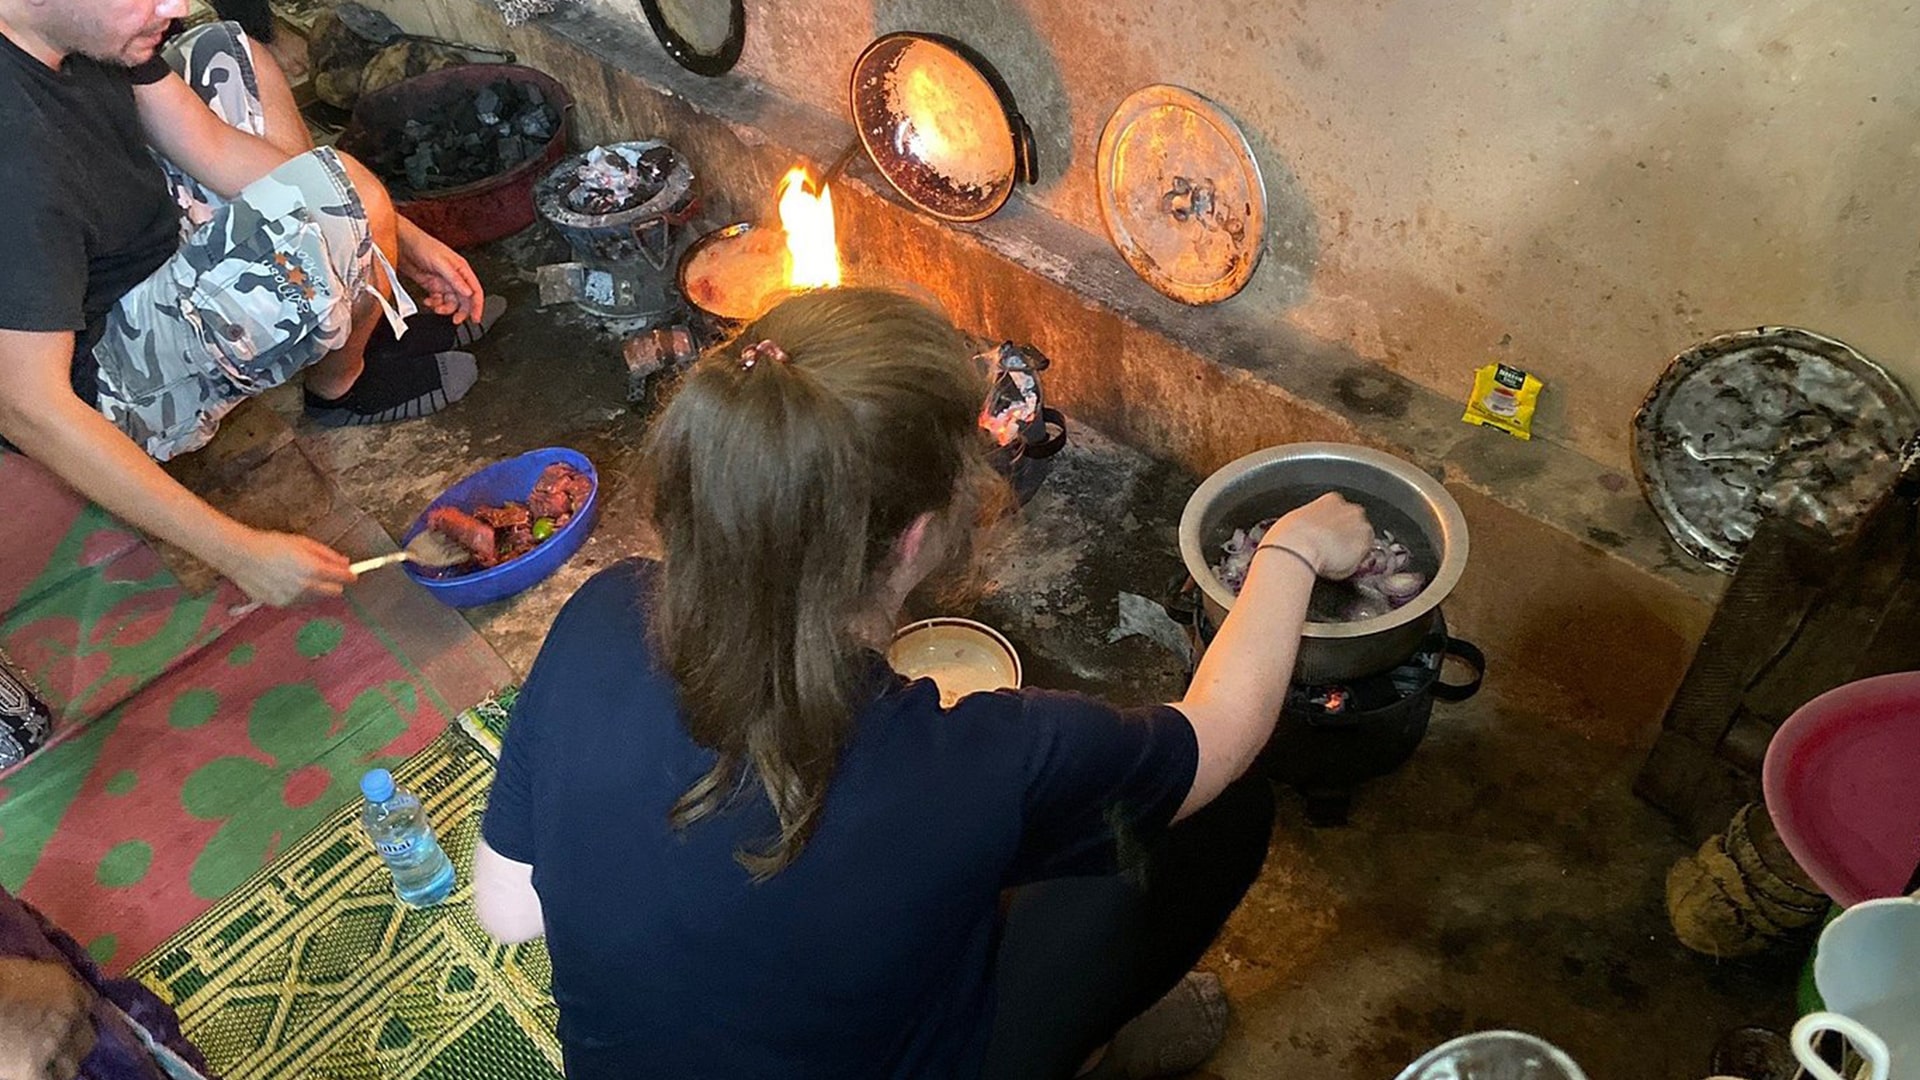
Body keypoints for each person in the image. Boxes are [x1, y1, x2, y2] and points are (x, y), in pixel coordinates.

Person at [471, 288, 1374, 1079]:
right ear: (913, 538)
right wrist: (1290, 553)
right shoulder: (976, 762)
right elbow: (1221, 730)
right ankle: (1086, 1051)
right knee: (1216, 810)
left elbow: (506, 909)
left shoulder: (602, 612)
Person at [0, 0, 500, 609]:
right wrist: (234, 550)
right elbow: (26, 405)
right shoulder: (15, 159)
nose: (174, 7)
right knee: (345, 193)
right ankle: (342, 385)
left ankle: (348, 292)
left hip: (120, 241)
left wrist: (396, 233)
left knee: (230, 52)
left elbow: (210, 145)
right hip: (109, 379)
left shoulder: (71, 29)